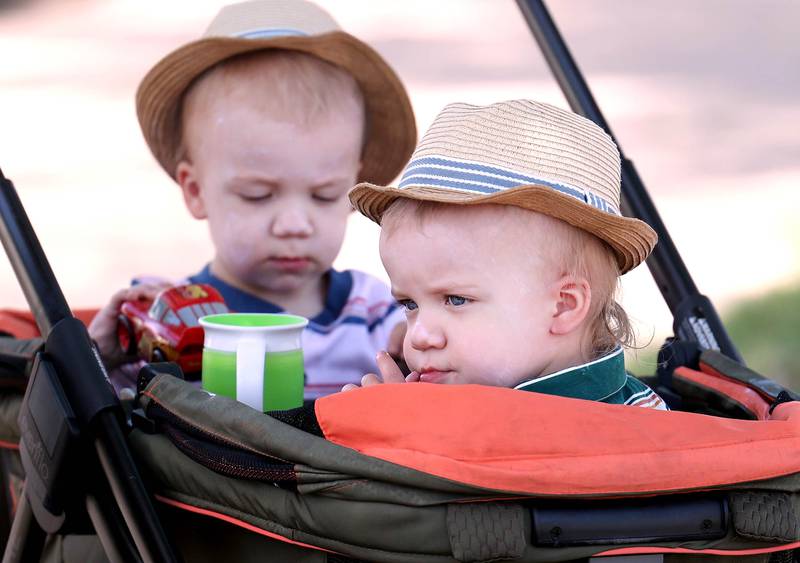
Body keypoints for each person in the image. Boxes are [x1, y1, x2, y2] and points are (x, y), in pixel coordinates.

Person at [89, 0, 417, 399]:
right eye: (258, 195)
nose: (295, 223)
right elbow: (103, 421)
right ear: (195, 192)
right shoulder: (174, 319)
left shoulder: (375, 313)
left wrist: (414, 349)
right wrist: (103, 357)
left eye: (324, 194)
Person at [344, 99, 667, 409]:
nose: (419, 336)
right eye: (409, 305)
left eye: (456, 300)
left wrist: (402, 437)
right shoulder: (472, 398)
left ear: (563, 306)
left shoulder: (627, 428)